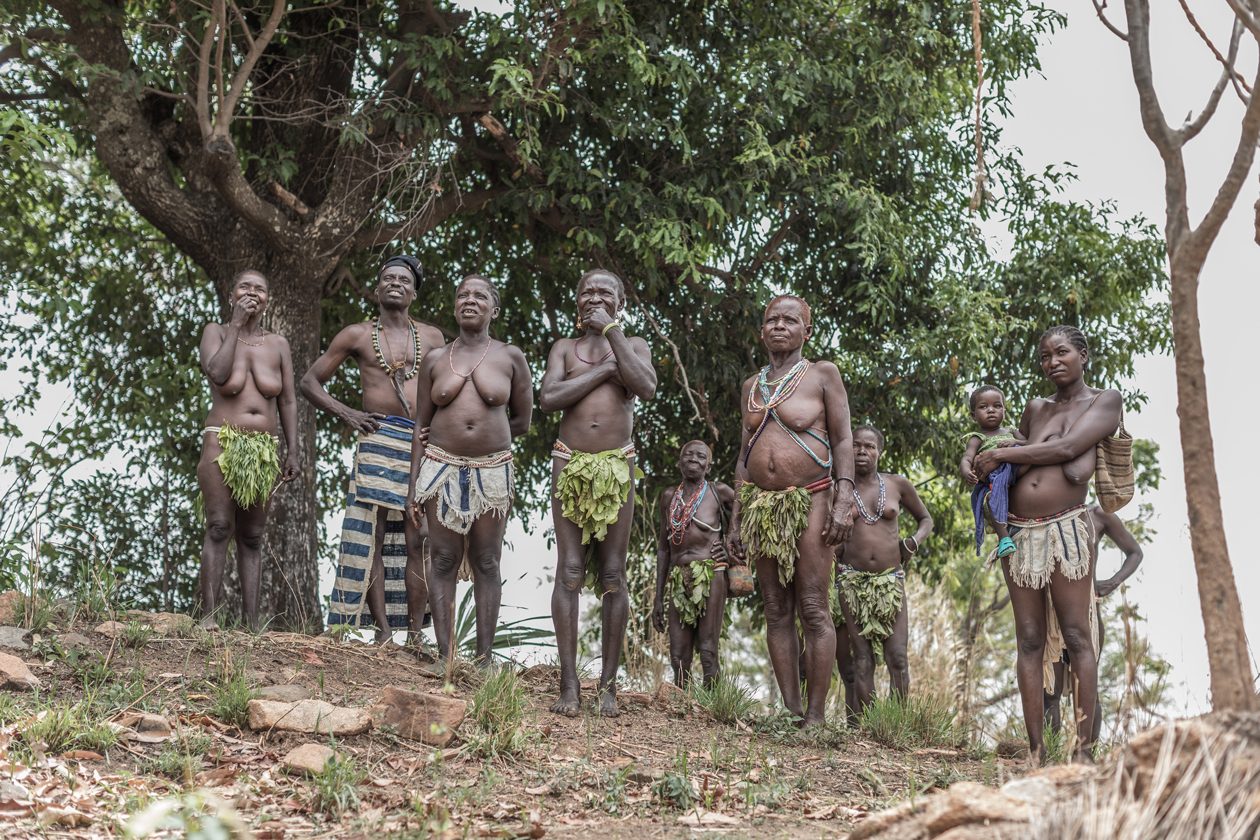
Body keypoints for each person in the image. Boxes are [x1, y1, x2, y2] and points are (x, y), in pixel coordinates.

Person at [973, 324, 1122, 763]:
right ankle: (1037, 752)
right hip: (1019, 533)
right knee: (1030, 639)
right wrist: (982, 461)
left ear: (1082, 355)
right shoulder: (1035, 408)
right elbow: (1017, 460)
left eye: (1061, 353)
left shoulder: (1104, 401)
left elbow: (1067, 448)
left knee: (1077, 636)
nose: (1052, 362)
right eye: (1044, 357)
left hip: (1066, 529)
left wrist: (1002, 454)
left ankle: (1084, 753)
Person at [728, 294, 857, 728]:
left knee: (814, 607)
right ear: (761, 331)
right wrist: (736, 517)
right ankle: (790, 711)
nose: (779, 326)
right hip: (760, 506)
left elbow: (842, 440)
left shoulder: (823, 375)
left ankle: (817, 716)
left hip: (814, 496)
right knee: (775, 607)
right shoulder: (751, 385)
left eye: (790, 320)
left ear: (807, 331)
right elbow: (744, 454)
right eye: (772, 320)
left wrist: (844, 497)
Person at [303, 255, 445, 643]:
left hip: (421, 441)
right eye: (388, 278)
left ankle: (416, 634)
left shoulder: (432, 337)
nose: (395, 283)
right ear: (378, 289)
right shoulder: (357, 335)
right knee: (373, 536)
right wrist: (347, 412)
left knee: (419, 535)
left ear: (414, 292)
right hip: (377, 439)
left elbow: (448, 388)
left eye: (404, 279)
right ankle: (382, 631)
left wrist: (444, 433)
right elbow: (310, 382)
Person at [539, 269, 657, 717]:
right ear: (576, 300)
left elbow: (644, 386)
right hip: (569, 461)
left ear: (619, 302)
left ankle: (608, 686)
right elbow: (550, 398)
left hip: (616, 465)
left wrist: (612, 338)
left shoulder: (633, 346)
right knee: (569, 570)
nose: (594, 296)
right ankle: (569, 685)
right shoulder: (564, 349)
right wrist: (606, 370)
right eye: (586, 290)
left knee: (612, 574)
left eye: (604, 292)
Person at [407, 275, 533, 663]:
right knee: (442, 558)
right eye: (463, 294)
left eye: (480, 296)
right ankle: (447, 656)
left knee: (486, 560)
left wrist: (483, 439)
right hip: (440, 467)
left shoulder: (510, 357)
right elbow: (420, 429)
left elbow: (522, 422)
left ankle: (483, 658)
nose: (470, 300)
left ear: (494, 309)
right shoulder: (434, 359)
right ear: (454, 306)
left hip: (492, 470)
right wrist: (413, 486)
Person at [197, 269, 300, 631]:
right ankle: (208, 618)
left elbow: (287, 400)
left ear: (268, 298)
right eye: (244, 286)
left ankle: (252, 624)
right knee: (219, 525)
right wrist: (236, 325)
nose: (252, 292)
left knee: (253, 535)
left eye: (260, 287)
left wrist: (292, 451)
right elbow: (219, 374)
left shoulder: (278, 345)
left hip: (263, 449)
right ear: (231, 295)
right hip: (221, 441)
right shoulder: (217, 332)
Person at [835, 424, 933, 712]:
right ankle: (869, 730)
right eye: (856, 446)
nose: (862, 451)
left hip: (891, 581)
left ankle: (896, 726)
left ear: (879, 451)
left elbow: (926, 519)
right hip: (852, 582)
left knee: (898, 657)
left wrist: (913, 542)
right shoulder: (838, 489)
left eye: (869, 446)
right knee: (862, 658)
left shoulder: (896, 484)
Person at [1044, 504, 1145, 738]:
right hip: (1049, 612)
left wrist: (1112, 582)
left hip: (1087, 614)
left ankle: (1085, 755)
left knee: (1087, 692)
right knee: (1050, 691)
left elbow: (1135, 552)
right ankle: (1048, 760)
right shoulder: (1042, 516)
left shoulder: (1097, 515)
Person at [652, 441, 736, 689]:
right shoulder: (669, 497)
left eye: (701, 456)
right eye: (688, 454)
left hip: (711, 574)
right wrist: (658, 597)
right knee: (678, 656)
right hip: (679, 578)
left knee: (708, 650)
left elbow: (746, 517)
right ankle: (681, 707)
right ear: (679, 462)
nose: (693, 459)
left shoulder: (718, 491)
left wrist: (730, 549)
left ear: (708, 467)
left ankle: (713, 710)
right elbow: (663, 548)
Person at [960, 385, 1025, 558]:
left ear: (1004, 409)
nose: (991, 410)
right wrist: (966, 471)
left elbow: (1032, 445)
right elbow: (967, 457)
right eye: (983, 407)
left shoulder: (1011, 431)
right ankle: (1004, 538)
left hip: (1018, 468)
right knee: (991, 498)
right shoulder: (977, 438)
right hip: (995, 477)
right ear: (973, 415)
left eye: (997, 406)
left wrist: (1014, 444)